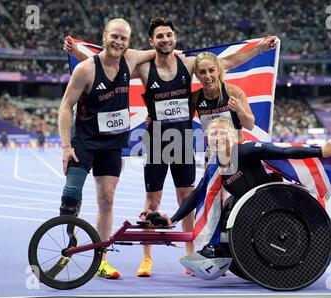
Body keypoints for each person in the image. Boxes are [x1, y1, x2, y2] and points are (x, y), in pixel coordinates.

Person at [65, 17, 277, 277]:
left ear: (175, 38)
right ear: (151, 41)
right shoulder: (143, 67)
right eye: (160, 36)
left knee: (186, 197)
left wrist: (258, 50)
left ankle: (190, 253)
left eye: (169, 35)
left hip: (182, 139)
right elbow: (109, 64)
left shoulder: (188, 65)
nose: (165, 39)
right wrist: (78, 52)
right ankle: (147, 259)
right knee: (151, 203)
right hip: (155, 139)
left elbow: (227, 63)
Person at [145, 118, 331, 258]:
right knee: (224, 211)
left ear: (232, 136)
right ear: (208, 139)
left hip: (272, 206)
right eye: (213, 133)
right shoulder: (214, 167)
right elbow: (197, 194)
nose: (218, 136)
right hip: (248, 213)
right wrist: (173, 218)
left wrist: (320, 151)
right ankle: (217, 249)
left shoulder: (245, 151)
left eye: (222, 132)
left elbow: (283, 151)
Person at [58, 18, 157, 280]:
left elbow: (163, 51)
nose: (119, 42)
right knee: (70, 194)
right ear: (104, 36)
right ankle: (70, 238)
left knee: (107, 200)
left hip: (112, 146)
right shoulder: (85, 69)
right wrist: (66, 146)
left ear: (129, 41)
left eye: (124, 38)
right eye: (114, 36)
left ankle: (101, 260)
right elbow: (66, 106)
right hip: (85, 143)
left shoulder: (131, 59)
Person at [191, 51, 255, 143]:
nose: (207, 76)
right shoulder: (195, 97)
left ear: (218, 70)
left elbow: (250, 126)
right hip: (213, 152)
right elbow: (184, 122)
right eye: (202, 72)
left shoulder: (233, 92)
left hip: (237, 149)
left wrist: (239, 109)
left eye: (211, 70)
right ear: (197, 75)